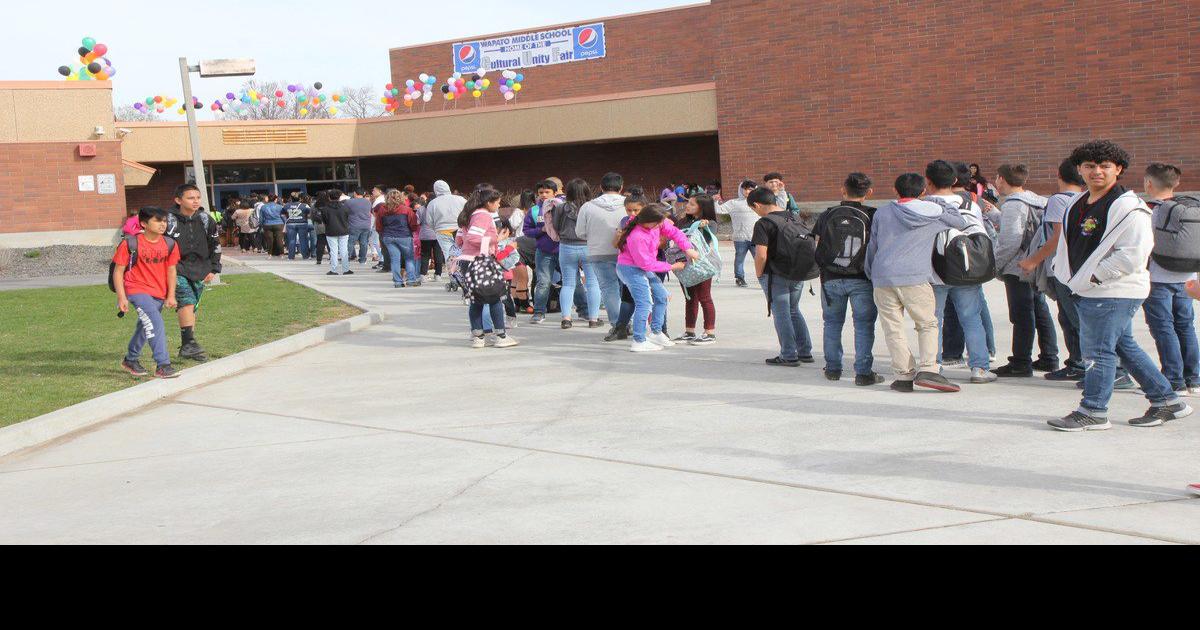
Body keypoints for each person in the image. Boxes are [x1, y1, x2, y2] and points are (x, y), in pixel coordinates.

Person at [1048, 140, 1193, 431]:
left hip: (1113, 291)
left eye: (1105, 166)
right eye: (1090, 166)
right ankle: (1168, 401)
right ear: (1080, 169)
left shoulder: (1130, 207)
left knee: (1097, 351)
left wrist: (1093, 277)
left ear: (1119, 169)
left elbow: (1132, 253)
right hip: (1090, 288)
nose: (1097, 172)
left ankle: (1094, 410)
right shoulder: (1078, 203)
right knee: (1123, 346)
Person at [864, 173, 967, 393]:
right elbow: (960, 222)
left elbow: (873, 245)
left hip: (882, 275)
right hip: (915, 276)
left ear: (895, 190)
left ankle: (903, 376)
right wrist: (937, 201)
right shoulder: (933, 214)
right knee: (926, 324)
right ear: (923, 192)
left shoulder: (883, 212)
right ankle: (928, 369)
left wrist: (871, 272)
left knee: (893, 328)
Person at [923, 161, 996, 385]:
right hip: (967, 269)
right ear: (955, 181)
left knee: (934, 320)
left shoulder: (924, 205)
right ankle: (980, 369)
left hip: (935, 271)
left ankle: (934, 366)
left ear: (928, 181)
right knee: (971, 318)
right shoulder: (971, 204)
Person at [1019, 158, 1089, 381]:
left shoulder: (1059, 200)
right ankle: (1079, 363)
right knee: (1071, 318)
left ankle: (1082, 364)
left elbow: (1058, 237)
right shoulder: (1086, 198)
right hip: (1078, 267)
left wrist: (1032, 260)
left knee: (1073, 319)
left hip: (1063, 268)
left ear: (1059, 176)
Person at [813, 172, 884, 386]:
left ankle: (833, 368)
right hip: (862, 278)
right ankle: (863, 372)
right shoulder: (874, 215)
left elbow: (817, 245)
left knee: (832, 323)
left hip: (831, 278)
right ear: (869, 193)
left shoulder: (827, 214)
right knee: (863, 325)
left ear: (843, 190)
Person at [992, 163, 1060, 377]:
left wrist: (995, 265)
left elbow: (1010, 240)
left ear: (1001, 179)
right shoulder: (1040, 201)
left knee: (1021, 315)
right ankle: (1049, 357)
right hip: (1037, 262)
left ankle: (1020, 362)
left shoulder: (1013, 204)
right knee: (1040, 311)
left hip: (1018, 266)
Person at [1141, 162, 1200, 395]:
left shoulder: (1150, 210)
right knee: (1185, 326)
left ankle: (1174, 381)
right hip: (1187, 276)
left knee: (1163, 328)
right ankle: (1194, 379)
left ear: (1148, 183)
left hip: (1157, 278)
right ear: (1176, 184)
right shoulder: (1187, 207)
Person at [749, 187, 815, 366]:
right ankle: (805, 351)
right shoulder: (794, 217)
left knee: (782, 314)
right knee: (794, 310)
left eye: (753, 209)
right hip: (798, 272)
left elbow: (761, 254)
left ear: (756, 205)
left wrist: (759, 273)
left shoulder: (763, 223)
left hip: (776, 274)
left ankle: (788, 354)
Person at [616, 204, 696, 352]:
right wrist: (672, 266)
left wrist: (688, 248)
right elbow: (646, 264)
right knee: (644, 303)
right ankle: (638, 340)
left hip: (642, 266)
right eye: (660, 223)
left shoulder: (655, 223)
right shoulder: (637, 236)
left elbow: (674, 232)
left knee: (662, 297)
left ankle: (656, 332)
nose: (662, 225)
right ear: (650, 221)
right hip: (631, 269)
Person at [113, 206, 181, 380]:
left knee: (145, 326)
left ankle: (131, 359)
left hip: (159, 292)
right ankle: (163, 365)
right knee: (155, 322)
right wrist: (122, 297)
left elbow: (171, 271)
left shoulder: (170, 244)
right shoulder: (130, 243)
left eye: (164, 221)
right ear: (143, 223)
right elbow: (118, 271)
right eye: (157, 220)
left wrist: (171, 295)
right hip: (136, 289)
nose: (162, 224)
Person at [165, 184, 222, 363]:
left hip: (201, 269)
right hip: (176, 268)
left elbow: (215, 244)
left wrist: (214, 268)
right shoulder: (167, 220)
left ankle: (187, 346)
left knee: (192, 306)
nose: (195, 201)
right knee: (186, 302)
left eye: (197, 197)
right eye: (191, 198)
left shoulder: (206, 219)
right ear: (178, 200)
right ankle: (189, 342)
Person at [457, 188, 518, 349]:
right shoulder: (483, 215)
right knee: (495, 298)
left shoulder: (471, 214)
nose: (499, 205)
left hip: (468, 261)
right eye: (497, 202)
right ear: (488, 202)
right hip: (480, 262)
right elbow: (474, 237)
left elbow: (462, 239)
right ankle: (500, 336)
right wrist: (497, 238)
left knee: (476, 301)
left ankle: (478, 337)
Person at [577, 172, 631, 335]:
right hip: (627, 253)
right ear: (621, 187)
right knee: (629, 288)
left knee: (608, 289)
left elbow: (580, 232)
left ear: (601, 187)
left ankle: (616, 324)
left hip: (598, 252)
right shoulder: (629, 205)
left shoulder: (588, 206)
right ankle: (630, 322)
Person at [552, 178, 603, 329]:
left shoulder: (561, 207)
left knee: (568, 284)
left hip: (567, 246)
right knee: (593, 283)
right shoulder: (592, 207)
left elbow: (555, 225)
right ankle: (593, 319)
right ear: (587, 191)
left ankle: (566, 319)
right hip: (588, 246)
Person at [673, 194, 719, 345]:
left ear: (702, 207)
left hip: (701, 266)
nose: (688, 206)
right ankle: (689, 331)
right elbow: (678, 235)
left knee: (704, 298)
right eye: (688, 203)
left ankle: (710, 332)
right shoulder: (683, 221)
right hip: (684, 265)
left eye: (692, 204)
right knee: (690, 298)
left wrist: (701, 227)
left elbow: (704, 242)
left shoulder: (710, 223)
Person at [717, 180, 761, 287]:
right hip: (740, 238)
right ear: (741, 190)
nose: (747, 191)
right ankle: (740, 278)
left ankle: (763, 277)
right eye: (745, 189)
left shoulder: (759, 202)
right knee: (739, 259)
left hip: (756, 237)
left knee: (759, 258)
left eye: (751, 189)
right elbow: (719, 209)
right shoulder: (734, 203)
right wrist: (715, 201)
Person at [377, 189, 421, 288]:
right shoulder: (406, 209)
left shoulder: (382, 210)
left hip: (388, 236)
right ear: (400, 198)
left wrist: (382, 234)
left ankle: (397, 281)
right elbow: (413, 224)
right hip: (404, 236)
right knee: (409, 259)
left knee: (395, 260)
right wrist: (412, 231)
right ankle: (411, 279)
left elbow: (378, 226)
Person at [426, 180, 467, 271]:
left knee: (448, 254)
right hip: (459, 229)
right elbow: (468, 213)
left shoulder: (433, 203)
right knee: (463, 252)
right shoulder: (460, 199)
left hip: (442, 231)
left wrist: (436, 228)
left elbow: (429, 221)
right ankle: (464, 273)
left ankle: (454, 276)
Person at [316, 190, 352, 276]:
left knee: (333, 251)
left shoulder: (325, 209)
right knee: (344, 250)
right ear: (339, 197)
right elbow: (348, 218)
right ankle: (346, 269)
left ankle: (334, 269)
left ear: (329, 197)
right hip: (343, 230)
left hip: (331, 231)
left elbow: (324, 221)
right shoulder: (345, 207)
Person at [343, 188, 374, 265]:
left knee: (350, 243)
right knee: (364, 243)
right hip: (366, 225)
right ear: (363, 193)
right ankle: (362, 260)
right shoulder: (368, 202)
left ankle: (346, 259)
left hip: (354, 225)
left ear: (354, 193)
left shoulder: (349, 202)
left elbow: (344, 213)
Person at [416, 195, 443, 282]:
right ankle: (438, 275)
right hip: (438, 233)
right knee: (438, 254)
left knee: (425, 255)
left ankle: (423, 275)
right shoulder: (439, 208)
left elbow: (417, 221)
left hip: (425, 234)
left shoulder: (421, 209)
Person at [283, 193, 313, 260]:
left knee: (291, 240)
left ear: (291, 198)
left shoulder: (286, 205)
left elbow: (282, 214)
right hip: (302, 223)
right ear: (300, 198)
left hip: (290, 224)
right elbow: (310, 213)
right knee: (303, 240)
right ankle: (305, 256)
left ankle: (291, 257)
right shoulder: (305, 205)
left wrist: (287, 219)